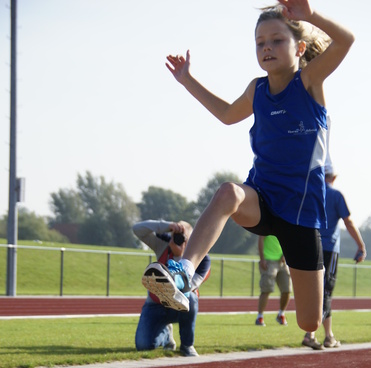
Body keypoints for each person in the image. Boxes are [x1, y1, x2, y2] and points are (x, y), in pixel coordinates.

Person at [142, 0, 355, 336]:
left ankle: (312, 322)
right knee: (228, 192)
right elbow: (227, 114)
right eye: (260, 43)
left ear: (299, 48)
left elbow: (346, 41)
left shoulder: (309, 81)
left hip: (301, 214)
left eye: (276, 40)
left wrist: (311, 16)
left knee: (309, 321)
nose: (267, 48)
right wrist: (187, 80)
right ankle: (184, 272)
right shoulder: (257, 90)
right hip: (262, 199)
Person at [302, 166, 366, 349]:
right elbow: (349, 222)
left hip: (310, 246)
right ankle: (310, 333)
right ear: (334, 177)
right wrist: (361, 246)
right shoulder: (336, 195)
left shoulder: (311, 193)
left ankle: (329, 336)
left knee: (315, 292)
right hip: (329, 248)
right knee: (326, 293)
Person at [133, 219, 211, 357]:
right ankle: (166, 334)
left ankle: (187, 345)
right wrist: (166, 226)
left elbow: (188, 288)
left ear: (192, 240)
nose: (179, 239)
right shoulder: (163, 245)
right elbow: (137, 229)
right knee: (143, 346)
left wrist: (179, 256)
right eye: (176, 235)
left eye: (183, 237)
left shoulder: (203, 259)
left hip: (181, 306)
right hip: (156, 304)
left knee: (191, 298)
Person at [255, 235, 291, 326]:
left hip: (282, 262)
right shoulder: (268, 223)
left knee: (287, 290)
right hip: (269, 261)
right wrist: (262, 258)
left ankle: (281, 314)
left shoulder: (285, 224)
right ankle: (260, 316)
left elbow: (288, 240)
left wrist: (285, 255)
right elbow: (261, 239)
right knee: (266, 290)